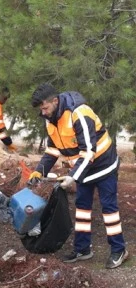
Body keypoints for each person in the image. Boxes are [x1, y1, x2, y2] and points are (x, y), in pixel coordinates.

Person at [27, 83, 128, 269]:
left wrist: (72, 176)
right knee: (82, 208)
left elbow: (89, 151)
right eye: (41, 110)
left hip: (103, 165)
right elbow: (52, 150)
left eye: (45, 108)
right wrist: (38, 171)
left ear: (55, 101)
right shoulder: (50, 119)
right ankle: (82, 249)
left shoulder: (79, 113)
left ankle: (119, 249)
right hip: (83, 170)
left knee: (109, 209)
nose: (44, 113)